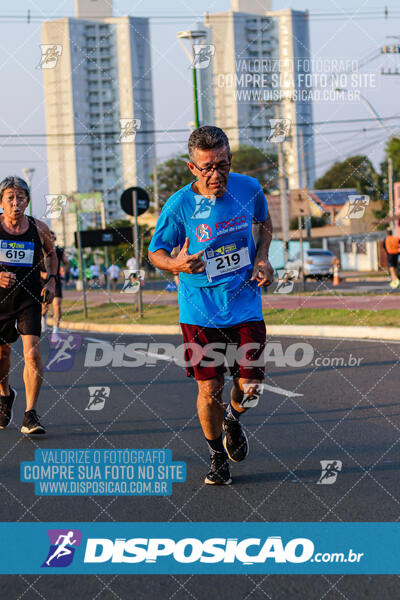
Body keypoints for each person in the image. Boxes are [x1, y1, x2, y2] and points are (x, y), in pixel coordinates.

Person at [148, 126, 273, 485]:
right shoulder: (180, 205)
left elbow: (264, 224)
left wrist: (262, 257)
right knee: (209, 388)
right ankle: (217, 456)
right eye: (207, 167)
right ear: (192, 168)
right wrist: (176, 264)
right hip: (199, 308)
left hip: (245, 301)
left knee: (249, 386)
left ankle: (233, 420)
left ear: (229, 159)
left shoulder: (249, 188)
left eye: (222, 164)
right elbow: (155, 252)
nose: (216, 174)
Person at [0, 176, 58, 434]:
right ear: (2, 202)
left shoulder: (39, 228)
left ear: (27, 201)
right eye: (10, 198)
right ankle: (5, 394)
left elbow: (51, 253)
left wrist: (52, 281)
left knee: (32, 354)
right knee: (1, 357)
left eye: (20, 197)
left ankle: (30, 415)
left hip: (29, 298)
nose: (16, 203)